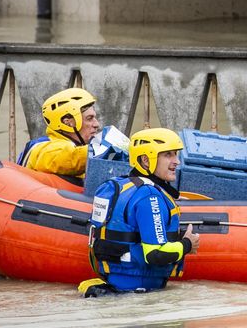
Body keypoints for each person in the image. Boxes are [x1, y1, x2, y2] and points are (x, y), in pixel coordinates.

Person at [78, 127, 200, 297]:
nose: (176, 161)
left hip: (117, 286)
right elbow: (155, 254)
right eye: (168, 155)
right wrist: (187, 244)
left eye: (176, 154)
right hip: (139, 293)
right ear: (145, 160)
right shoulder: (149, 196)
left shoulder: (121, 186)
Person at [18, 87, 102, 179]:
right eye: (89, 118)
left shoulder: (74, 146)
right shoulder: (43, 149)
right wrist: (100, 149)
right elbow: (70, 158)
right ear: (67, 122)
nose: (96, 124)